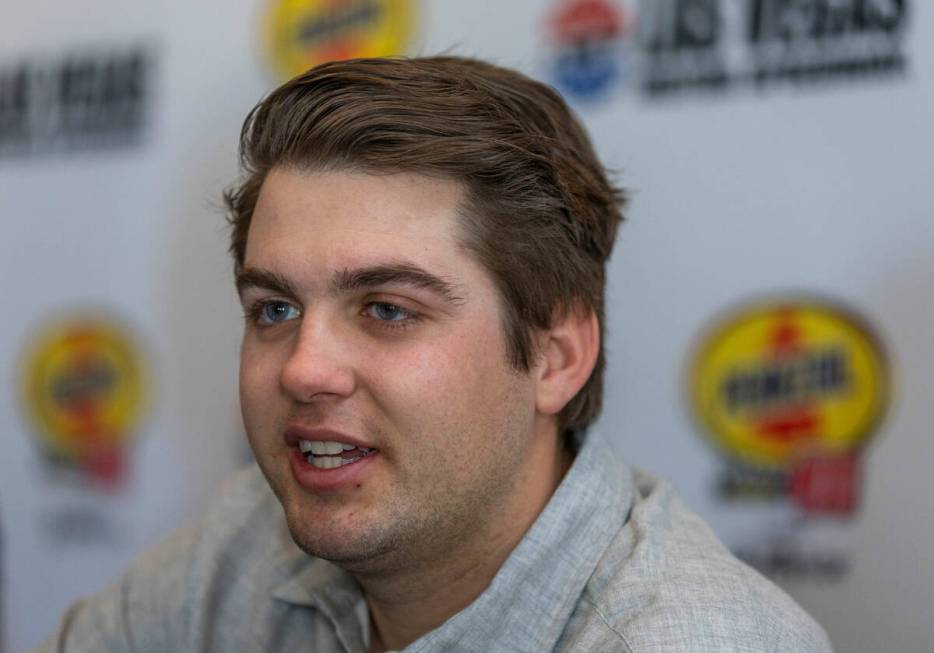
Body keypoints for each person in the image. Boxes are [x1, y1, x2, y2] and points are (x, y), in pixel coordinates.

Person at [36, 56, 833, 652]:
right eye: (274, 308)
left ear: (556, 357)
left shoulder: (688, 638)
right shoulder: (245, 540)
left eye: (388, 309)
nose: (303, 368)